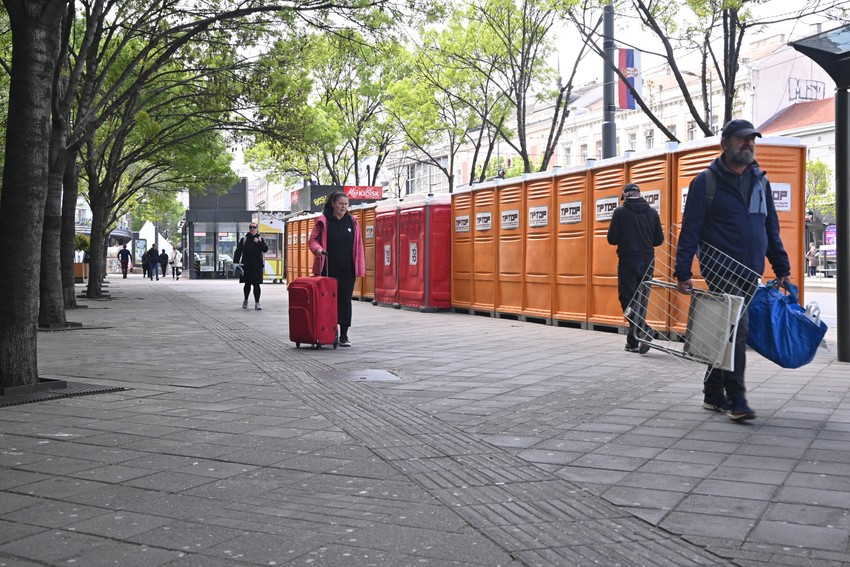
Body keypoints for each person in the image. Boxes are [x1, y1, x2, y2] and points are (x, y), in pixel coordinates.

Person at [674, 119, 790, 421]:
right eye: (742, 140)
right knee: (738, 330)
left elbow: (770, 228)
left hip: (752, 270)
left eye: (752, 139)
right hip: (721, 268)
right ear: (725, 143)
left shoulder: (760, 181)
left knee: (726, 331)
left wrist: (781, 267)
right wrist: (682, 271)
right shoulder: (706, 182)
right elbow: (691, 230)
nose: (748, 144)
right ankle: (737, 399)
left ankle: (713, 394)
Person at [607, 182, 664, 354]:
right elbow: (658, 240)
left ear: (625, 196)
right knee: (641, 301)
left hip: (628, 261)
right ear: (640, 195)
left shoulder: (620, 212)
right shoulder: (652, 212)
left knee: (627, 301)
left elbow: (612, 239)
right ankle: (633, 342)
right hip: (647, 262)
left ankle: (644, 329)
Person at [309, 191, 366, 347]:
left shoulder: (352, 221)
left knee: (345, 300)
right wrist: (318, 250)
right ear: (333, 204)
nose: (344, 207)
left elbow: (359, 245)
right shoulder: (323, 221)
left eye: (346, 204)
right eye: (341, 203)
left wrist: (359, 266)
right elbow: (312, 240)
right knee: (328, 301)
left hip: (347, 269)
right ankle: (330, 332)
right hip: (328, 269)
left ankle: (344, 335)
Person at [233, 222, 268, 310]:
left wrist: (258, 242)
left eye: (254, 227)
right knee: (247, 284)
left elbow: (265, 249)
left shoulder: (260, 239)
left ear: (257, 229)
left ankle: (257, 303)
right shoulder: (244, 239)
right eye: (250, 227)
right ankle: (245, 300)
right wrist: (235, 262)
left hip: (257, 266)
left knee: (256, 285)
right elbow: (238, 251)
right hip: (246, 265)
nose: (252, 229)